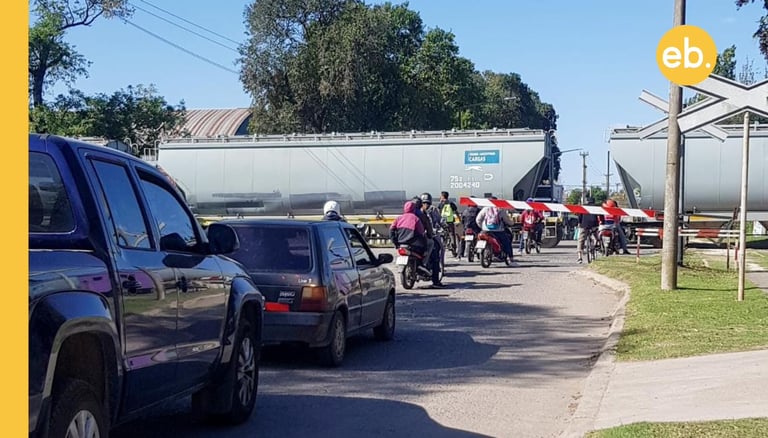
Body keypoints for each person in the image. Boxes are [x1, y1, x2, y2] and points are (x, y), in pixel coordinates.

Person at [390, 200, 431, 275]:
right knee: (425, 249)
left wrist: (395, 242)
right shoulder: (415, 218)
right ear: (414, 209)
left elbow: (391, 230)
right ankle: (422, 264)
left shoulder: (398, 218)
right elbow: (422, 232)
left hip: (401, 243)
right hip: (413, 244)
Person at [420, 192, 445, 287]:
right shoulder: (431, 210)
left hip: (414, 238)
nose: (425, 205)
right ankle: (435, 281)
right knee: (435, 257)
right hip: (429, 236)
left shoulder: (415, 211)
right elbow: (436, 222)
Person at [576, 197, 604, 263]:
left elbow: (580, 216)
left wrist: (579, 223)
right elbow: (601, 215)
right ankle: (597, 245)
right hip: (594, 224)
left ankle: (580, 257)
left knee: (581, 239)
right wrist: (602, 222)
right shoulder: (596, 207)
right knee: (596, 236)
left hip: (584, 225)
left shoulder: (583, 207)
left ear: (587, 201)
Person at [438, 191, 460, 257]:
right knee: (452, 235)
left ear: (442, 196)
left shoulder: (440, 204)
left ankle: (442, 246)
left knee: (441, 234)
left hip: (442, 222)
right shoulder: (451, 204)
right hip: (450, 222)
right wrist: (457, 221)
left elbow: (438, 213)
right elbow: (455, 213)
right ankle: (454, 250)